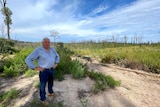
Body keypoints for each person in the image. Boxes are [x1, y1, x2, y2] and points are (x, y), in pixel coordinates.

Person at [25, 37, 60, 104]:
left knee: (51, 82)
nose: (47, 44)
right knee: (42, 85)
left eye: (48, 42)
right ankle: (43, 99)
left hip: (51, 70)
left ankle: (50, 92)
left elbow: (57, 56)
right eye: (46, 42)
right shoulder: (38, 50)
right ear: (42, 43)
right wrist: (35, 67)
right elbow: (28, 59)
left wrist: (56, 63)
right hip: (44, 71)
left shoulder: (52, 49)